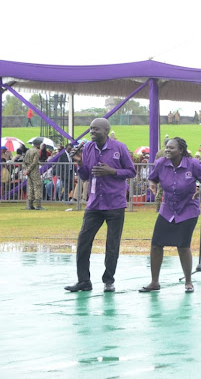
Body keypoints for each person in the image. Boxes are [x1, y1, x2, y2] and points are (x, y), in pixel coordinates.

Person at [64, 118, 136, 293]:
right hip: (94, 203)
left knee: (112, 244)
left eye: (96, 129)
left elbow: (131, 171)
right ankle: (83, 281)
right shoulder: (87, 148)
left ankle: (108, 280)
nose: (92, 132)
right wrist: (80, 163)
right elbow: (85, 176)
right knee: (83, 241)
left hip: (114, 203)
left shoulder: (119, 148)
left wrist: (111, 171)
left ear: (106, 130)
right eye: (90, 129)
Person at [139, 137, 201, 293]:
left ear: (181, 150)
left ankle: (188, 282)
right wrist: (152, 184)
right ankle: (154, 282)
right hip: (167, 209)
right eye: (167, 147)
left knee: (183, 246)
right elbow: (153, 178)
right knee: (156, 244)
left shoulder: (193, 164)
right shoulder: (161, 164)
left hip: (188, 209)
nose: (168, 150)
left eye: (171, 148)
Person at [22, 137, 43, 210]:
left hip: (28, 172)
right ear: (38, 145)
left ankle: (30, 205)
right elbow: (35, 162)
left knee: (30, 187)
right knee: (37, 187)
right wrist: (29, 169)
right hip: (34, 171)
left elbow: (24, 162)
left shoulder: (28, 151)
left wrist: (26, 170)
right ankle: (38, 205)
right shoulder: (36, 151)